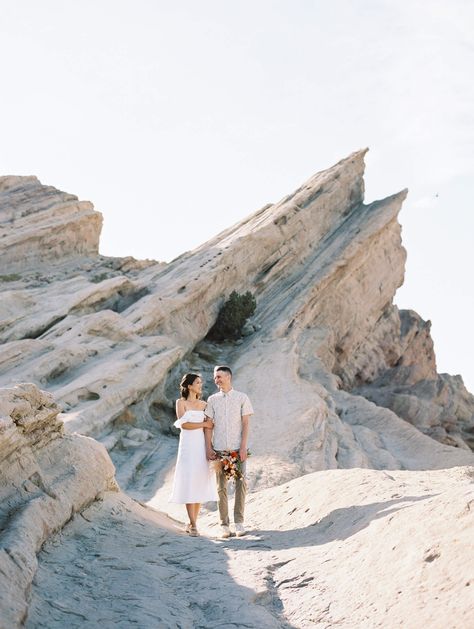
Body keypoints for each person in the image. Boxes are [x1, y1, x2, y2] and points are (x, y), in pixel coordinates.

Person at [204, 365, 254, 538]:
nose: (216, 380)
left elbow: (246, 423)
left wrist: (243, 447)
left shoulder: (242, 398)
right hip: (218, 450)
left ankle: (239, 523)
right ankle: (224, 525)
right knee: (220, 488)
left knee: (241, 485)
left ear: (228, 377)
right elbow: (209, 425)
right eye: (215, 377)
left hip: (237, 448)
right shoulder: (212, 400)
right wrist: (208, 447)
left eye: (219, 377)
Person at [169, 373, 217, 536]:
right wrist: (204, 423)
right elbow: (184, 425)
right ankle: (194, 524)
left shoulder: (204, 404)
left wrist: (209, 447)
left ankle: (192, 522)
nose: (200, 384)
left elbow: (209, 428)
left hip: (200, 446)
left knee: (198, 482)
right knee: (189, 480)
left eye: (200, 382)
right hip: (187, 447)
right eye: (197, 382)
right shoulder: (180, 403)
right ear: (189, 386)